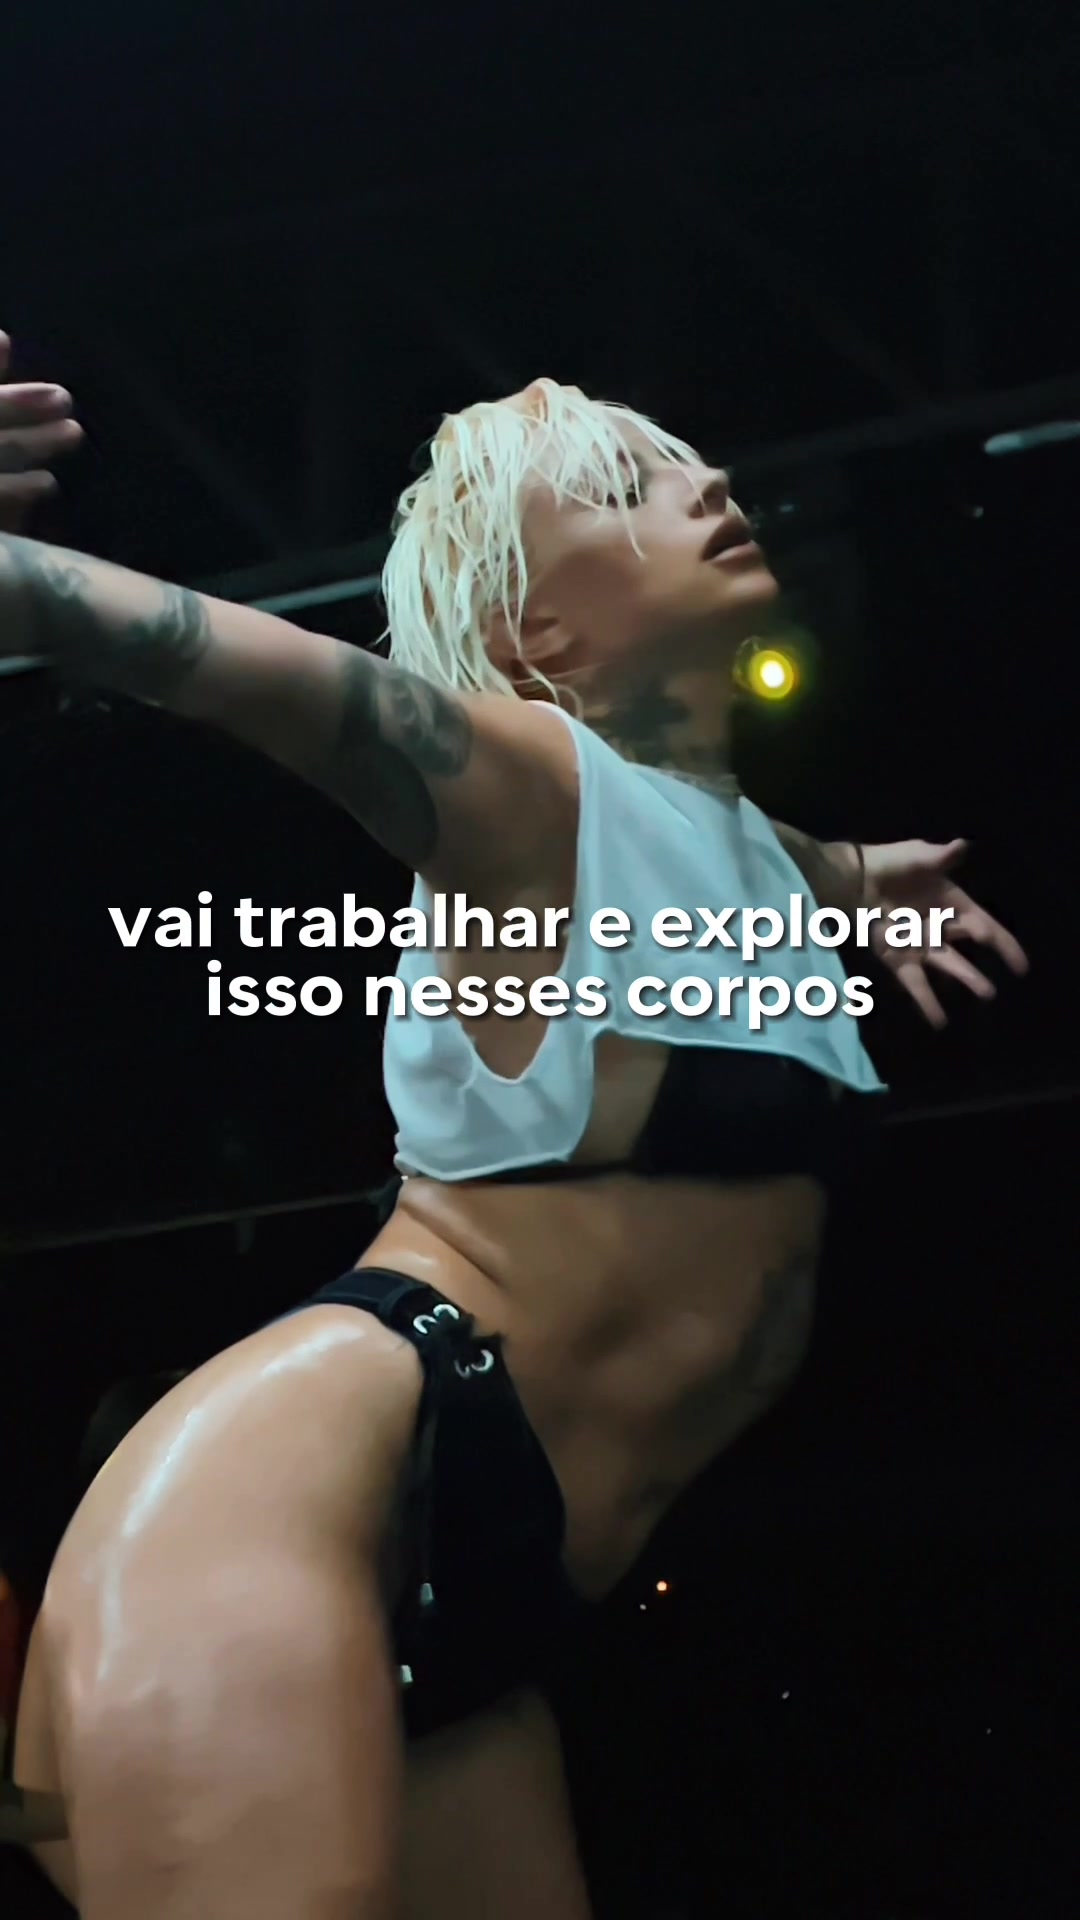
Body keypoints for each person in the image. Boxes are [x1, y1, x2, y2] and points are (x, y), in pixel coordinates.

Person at [0, 351, 1027, 1919]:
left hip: (478, 1593)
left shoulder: (736, 851)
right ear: (537, 637)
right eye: (625, 489)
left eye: (683, 461)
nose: (705, 484)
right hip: (283, 1511)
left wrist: (863, 878)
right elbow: (210, 655)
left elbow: (773, 856)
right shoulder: (518, 785)